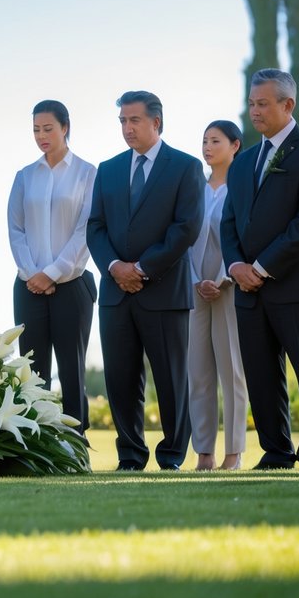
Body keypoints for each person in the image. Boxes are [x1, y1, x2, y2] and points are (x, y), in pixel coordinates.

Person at [220, 68, 299, 470]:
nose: (254, 111)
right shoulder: (243, 161)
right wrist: (236, 265)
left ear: (288, 105)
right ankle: (276, 451)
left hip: (296, 283)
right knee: (261, 375)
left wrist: (263, 266)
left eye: (263, 104)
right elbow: (229, 221)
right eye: (252, 103)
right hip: (248, 291)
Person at [87, 91, 203, 470]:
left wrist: (142, 269)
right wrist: (115, 268)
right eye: (122, 120)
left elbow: (186, 229)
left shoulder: (185, 167)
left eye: (134, 120)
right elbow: (96, 227)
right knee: (120, 381)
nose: (127, 128)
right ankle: (131, 456)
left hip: (164, 291)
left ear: (156, 122)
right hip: (115, 293)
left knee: (171, 381)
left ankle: (171, 455)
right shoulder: (109, 169)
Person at [9, 100, 97, 430]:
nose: (41, 136)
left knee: (72, 369)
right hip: (28, 286)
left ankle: (77, 444)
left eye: (48, 128)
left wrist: (53, 273)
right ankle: (37, 441)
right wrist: (33, 274)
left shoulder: (87, 173)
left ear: (65, 127)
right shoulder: (24, 176)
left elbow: (85, 230)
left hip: (72, 286)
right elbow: (15, 229)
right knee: (33, 371)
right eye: (35, 129)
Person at [187, 120, 248, 471]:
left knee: (232, 371)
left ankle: (234, 453)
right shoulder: (196, 189)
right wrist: (197, 279)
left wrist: (223, 278)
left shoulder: (242, 187)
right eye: (204, 141)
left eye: (216, 141)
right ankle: (204, 453)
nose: (208, 147)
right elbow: (188, 239)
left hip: (229, 286)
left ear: (235, 145)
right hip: (196, 288)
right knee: (199, 372)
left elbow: (242, 234)